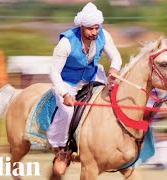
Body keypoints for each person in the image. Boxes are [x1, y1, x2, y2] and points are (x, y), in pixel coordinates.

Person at [47, 2, 122, 175]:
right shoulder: (66, 42)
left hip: (93, 76)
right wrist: (65, 93)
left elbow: (115, 56)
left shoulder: (104, 35)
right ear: (81, 26)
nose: (94, 32)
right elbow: (54, 72)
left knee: (112, 98)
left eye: (96, 28)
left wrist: (114, 70)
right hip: (67, 82)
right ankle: (62, 150)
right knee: (67, 111)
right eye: (90, 29)